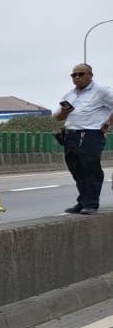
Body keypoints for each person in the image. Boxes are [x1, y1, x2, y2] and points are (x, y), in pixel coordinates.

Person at [55, 63, 113, 215]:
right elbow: (57, 117)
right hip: (71, 135)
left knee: (90, 168)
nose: (77, 77)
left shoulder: (101, 91)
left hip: (91, 134)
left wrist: (108, 123)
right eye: (74, 75)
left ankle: (91, 204)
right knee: (76, 169)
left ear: (90, 75)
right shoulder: (70, 95)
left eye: (81, 74)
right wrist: (64, 112)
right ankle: (83, 202)